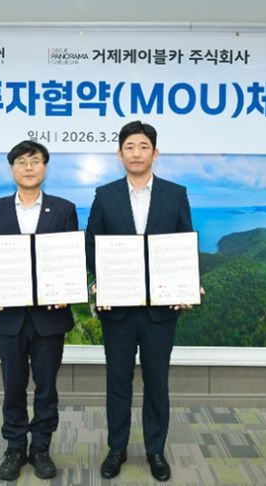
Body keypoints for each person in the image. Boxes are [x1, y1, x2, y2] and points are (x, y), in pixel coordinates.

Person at [85, 120, 202, 482]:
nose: (136, 153)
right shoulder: (105, 195)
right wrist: (100, 281)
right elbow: (92, 244)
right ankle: (116, 448)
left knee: (157, 383)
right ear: (119, 154)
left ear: (155, 152)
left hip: (160, 311)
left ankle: (155, 450)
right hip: (117, 310)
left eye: (143, 146)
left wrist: (187, 285)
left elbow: (184, 242)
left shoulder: (175, 194)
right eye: (129, 147)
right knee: (117, 383)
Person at [0, 140, 77, 481]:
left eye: (35, 161)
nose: (29, 167)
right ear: (12, 169)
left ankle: (41, 448)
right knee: (13, 386)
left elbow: (70, 256)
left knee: (46, 387)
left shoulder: (64, 209)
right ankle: (15, 447)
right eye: (21, 162)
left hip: (50, 316)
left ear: (45, 167)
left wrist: (67, 290)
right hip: (9, 316)